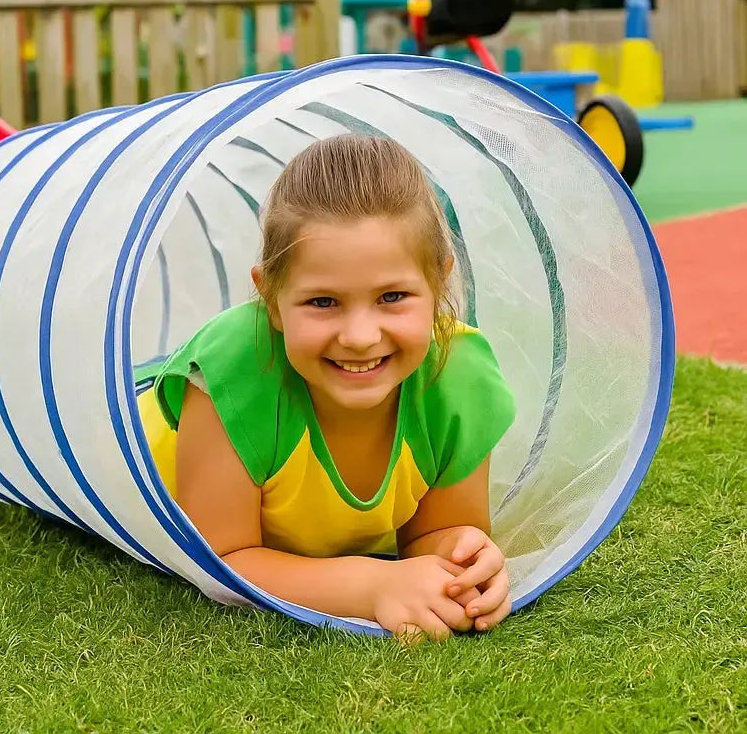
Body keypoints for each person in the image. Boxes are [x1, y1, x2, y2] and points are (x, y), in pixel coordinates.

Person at [137, 133, 516, 642]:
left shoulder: (456, 377)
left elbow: (428, 536)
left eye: (392, 296)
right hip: (127, 427)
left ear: (438, 284)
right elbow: (222, 560)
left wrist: (465, 560)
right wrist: (371, 585)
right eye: (323, 302)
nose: (360, 337)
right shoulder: (230, 376)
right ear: (271, 299)